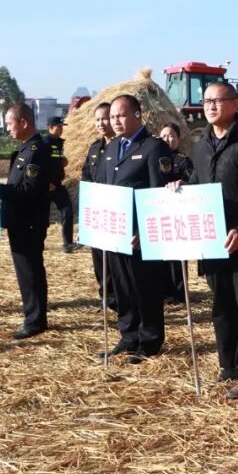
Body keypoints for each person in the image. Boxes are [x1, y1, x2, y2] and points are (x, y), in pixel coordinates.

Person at [178, 81, 238, 397]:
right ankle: (229, 364)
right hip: (212, 238)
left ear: (234, 104)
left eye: (217, 101)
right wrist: (179, 188)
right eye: (206, 101)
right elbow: (197, 182)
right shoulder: (202, 143)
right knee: (222, 306)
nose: (210, 106)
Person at [98, 94, 173, 364]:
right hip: (115, 232)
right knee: (122, 287)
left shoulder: (154, 147)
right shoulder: (111, 148)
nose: (115, 121)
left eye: (121, 115)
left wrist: (145, 230)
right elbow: (102, 188)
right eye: (112, 116)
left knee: (146, 288)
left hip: (140, 236)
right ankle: (128, 336)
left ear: (137, 115)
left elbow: (158, 192)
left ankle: (149, 341)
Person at [0, 103, 54, 339]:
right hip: (19, 221)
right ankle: (33, 317)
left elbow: (29, 191)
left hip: (29, 222)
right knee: (26, 271)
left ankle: (35, 321)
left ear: (23, 122)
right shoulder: (25, 149)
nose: (7, 128)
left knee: (30, 272)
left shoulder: (36, 150)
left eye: (9, 123)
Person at [82, 102, 117, 308]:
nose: (101, 123)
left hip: (115, 210)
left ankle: (120, 299)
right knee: (99, 257)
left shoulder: (122, 146)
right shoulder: (95, 148)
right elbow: (86, 174)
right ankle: (107, 296)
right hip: (97, 210)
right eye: (98, 120)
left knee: (115, 259)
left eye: (105, 118)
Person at [159, 122, 195, 304]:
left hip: (177, 213)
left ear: (179, 139)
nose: (168, 139)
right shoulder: (155, 159)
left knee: (177, 255)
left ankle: (179, 293)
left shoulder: (182, 160)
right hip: (159, 213)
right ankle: (163, 290)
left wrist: (183, 184)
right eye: (164, 136)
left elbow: (194, 182)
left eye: (172, 135)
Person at [45, 116, 80, 253]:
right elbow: (40, 164)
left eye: (62, 127)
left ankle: (67, 243)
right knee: (42, 215)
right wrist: (46, 183)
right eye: (59, 127)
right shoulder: (44, 143)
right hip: (46, 186)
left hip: (57, 185)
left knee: (67, 210)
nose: (61, 129)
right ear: (50, 127)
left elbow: (54, 159)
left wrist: (62, 160)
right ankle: (36, 241)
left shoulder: (59, 142)